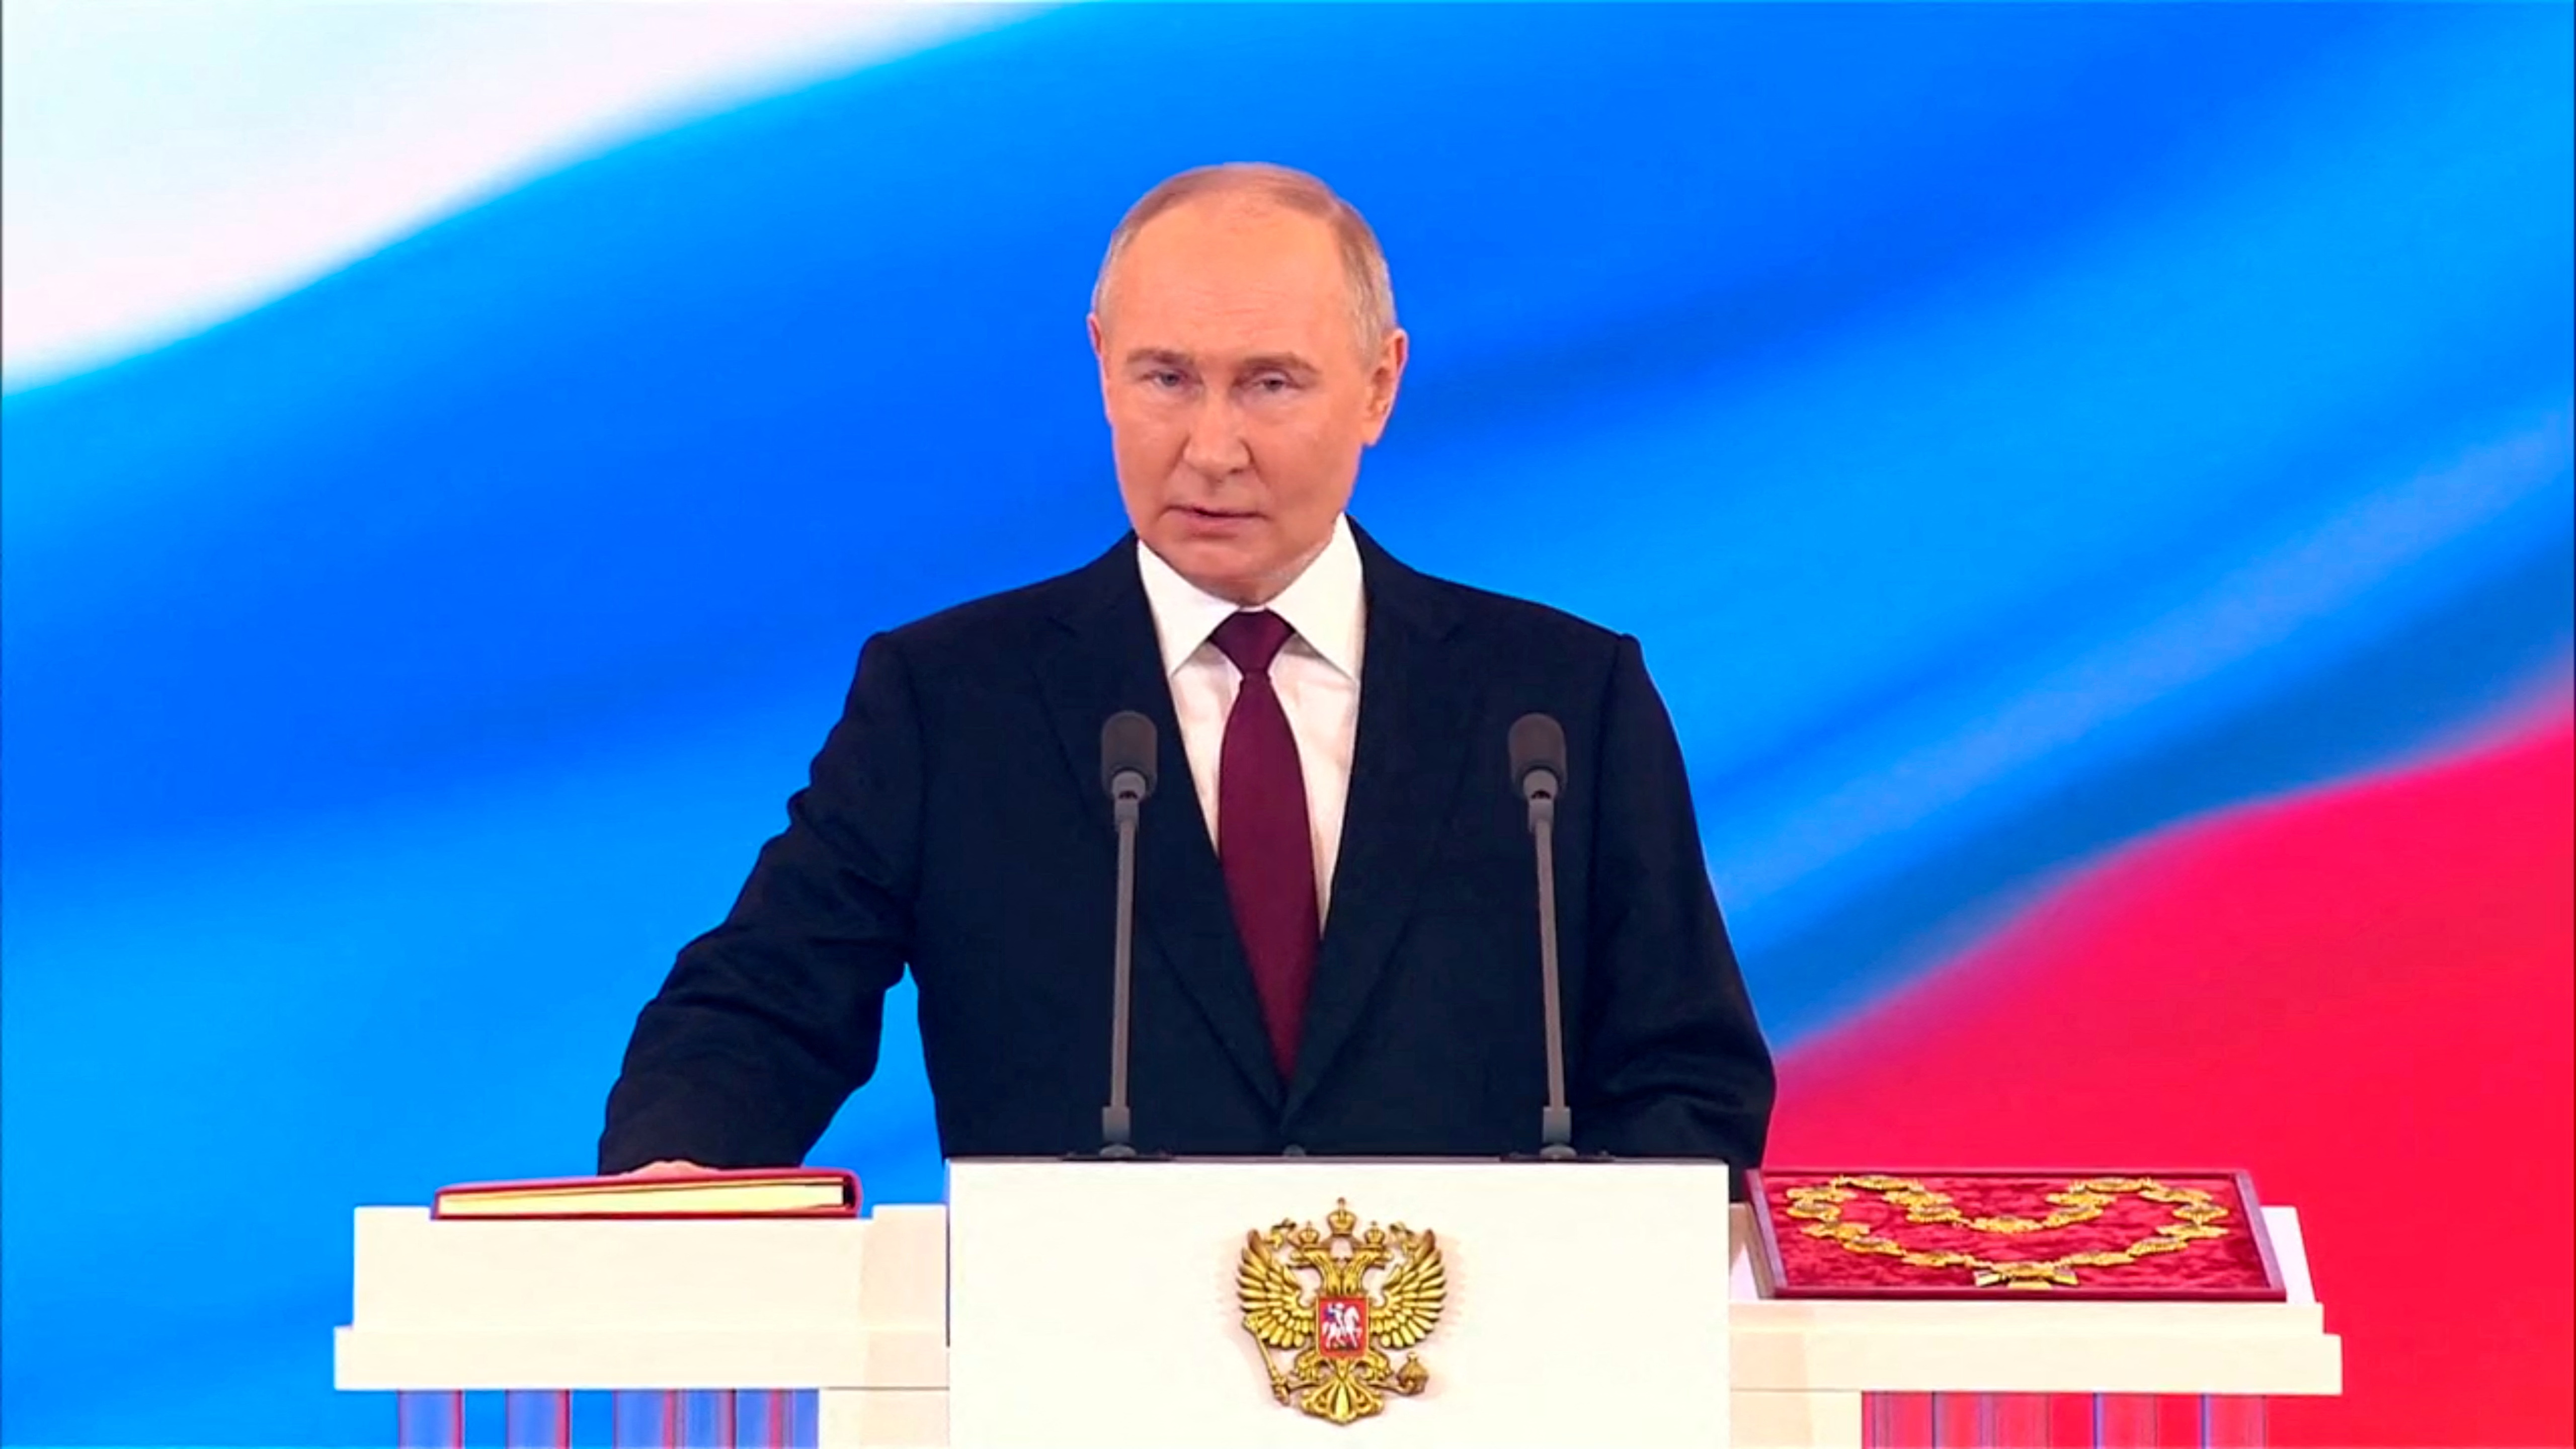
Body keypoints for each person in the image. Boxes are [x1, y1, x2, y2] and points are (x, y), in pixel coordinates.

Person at [598, 163, 1774, 1181]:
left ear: (1378, 385)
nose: (1212, 449)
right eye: (1166, 379)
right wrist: (678, 1174)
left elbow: (1686, 1073)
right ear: (1102, 367)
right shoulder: (950, 702)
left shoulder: (1558, 705)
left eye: (1270, 383)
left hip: (1464, 1349)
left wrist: (1592, 1294)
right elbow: (760, 1008)